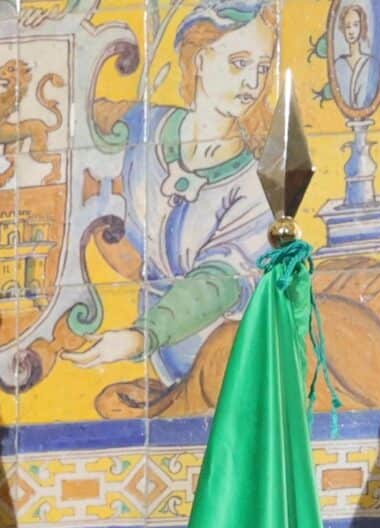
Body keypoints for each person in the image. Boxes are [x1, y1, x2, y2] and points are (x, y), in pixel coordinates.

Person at [65, 0, 281, 395]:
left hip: (216, 371)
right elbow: (67, 121)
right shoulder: (141, 125)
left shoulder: (254, 184)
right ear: (198, 60)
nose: (253, 82)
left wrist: (139, 337)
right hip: (159, 361)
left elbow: (219, 281)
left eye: (262, 68)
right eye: (239, 62)